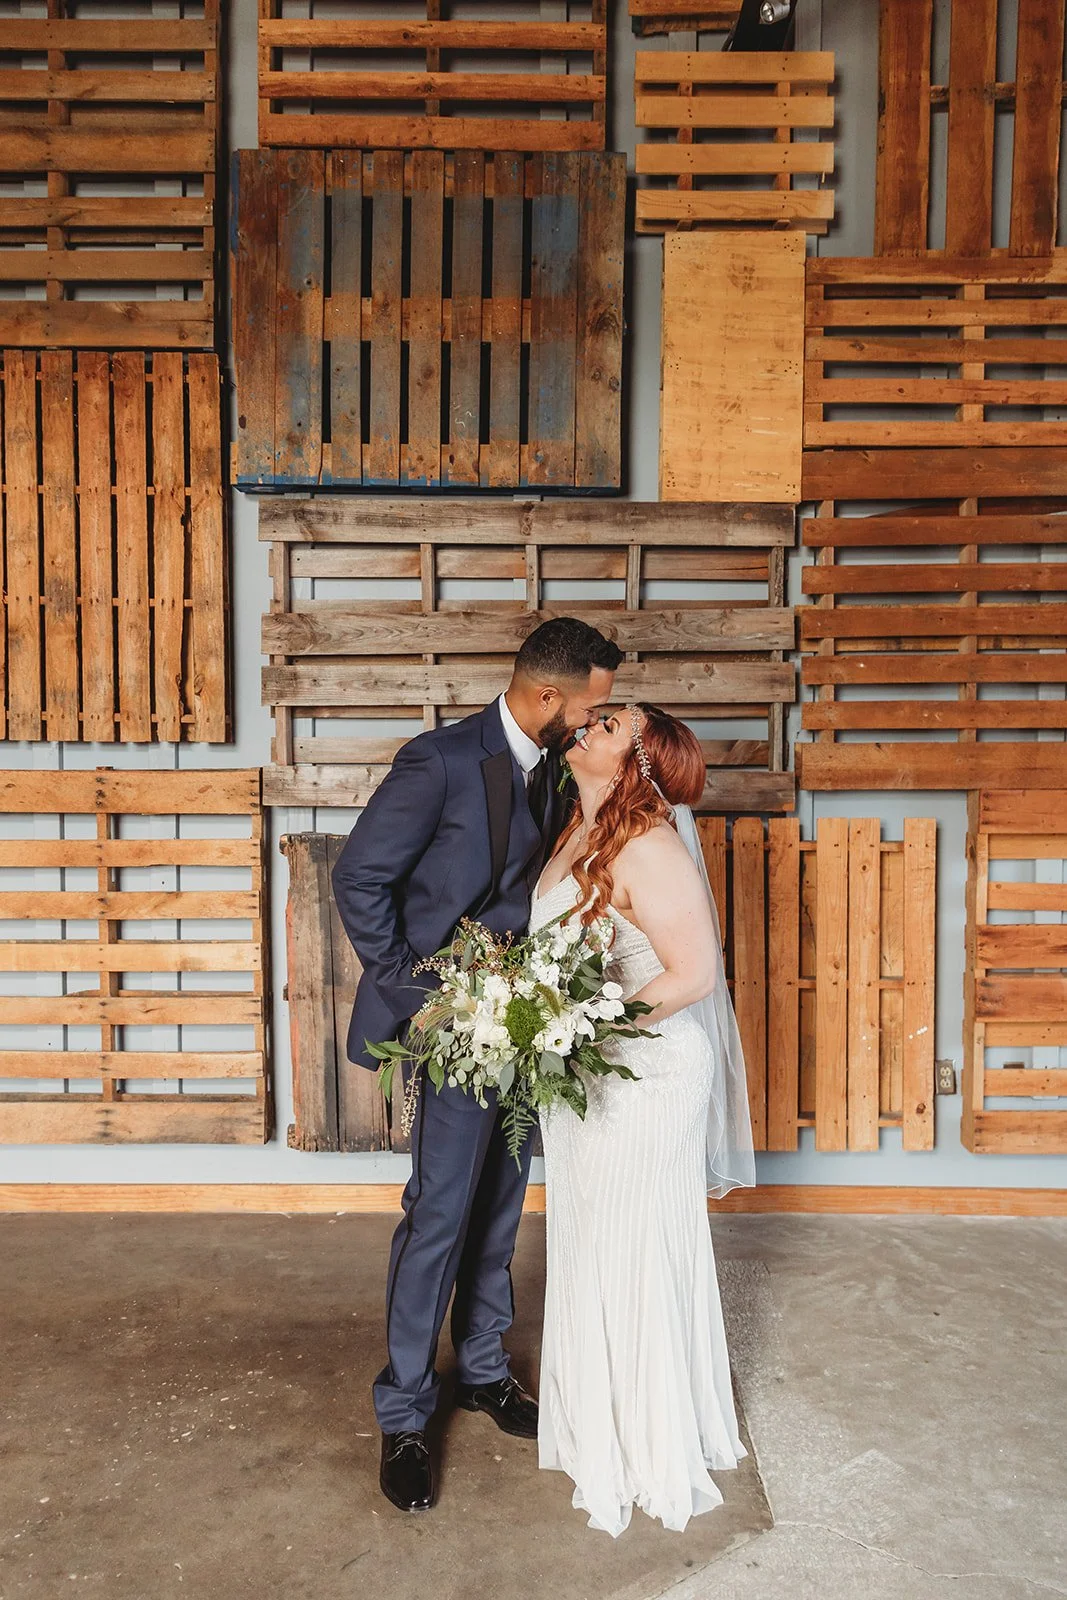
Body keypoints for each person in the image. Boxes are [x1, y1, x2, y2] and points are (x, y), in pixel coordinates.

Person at [331, 618, 622, 1514]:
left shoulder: (554, 765)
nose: (592, 721)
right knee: (440, 1214)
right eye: (590, 706)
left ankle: (485, 1370)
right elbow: (359, 879)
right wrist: (420, 996)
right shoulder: (441, 761)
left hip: (527, 1019)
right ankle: (407, 1413)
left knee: (502, 1201)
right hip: (454, 1021)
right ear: (547, 698)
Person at [531, 703, 755, 1538]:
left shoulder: (648, 845)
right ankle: (602, 1417)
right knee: (589, 1237)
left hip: (646, 1074)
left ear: (638, 763)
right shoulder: (570, 834)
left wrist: (585, 1035)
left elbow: (694, 973)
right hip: (587, 1074)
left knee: (628, 1241)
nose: (587, 727)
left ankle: (644, 1440)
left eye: (610, 726)